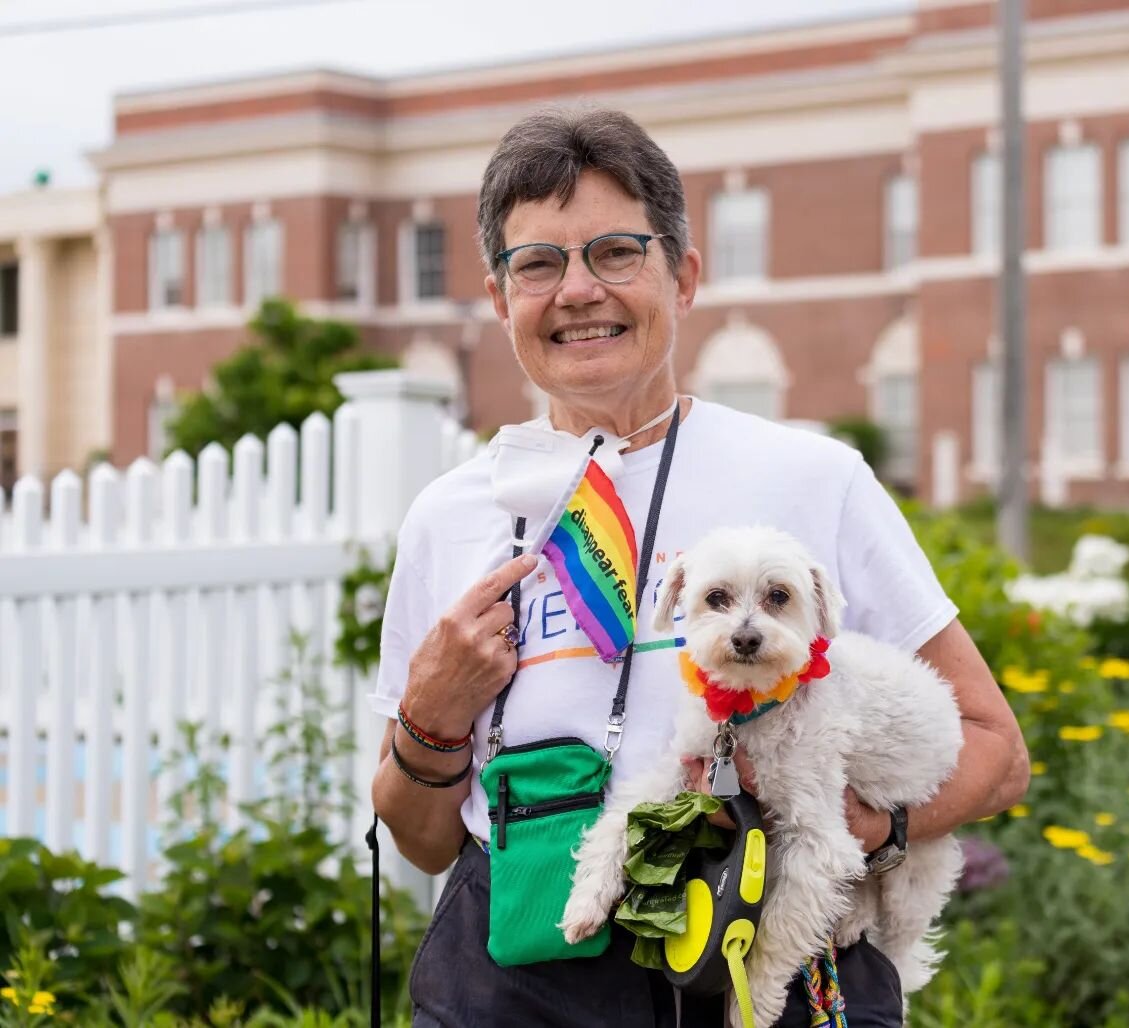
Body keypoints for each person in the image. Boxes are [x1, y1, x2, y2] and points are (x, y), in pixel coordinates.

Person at [370, 106, 1030, 1028]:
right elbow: (423, 837)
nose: (576, 291)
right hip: (521, 964)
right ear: (498, 296)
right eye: (539, 264)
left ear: (682, 277)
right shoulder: (451, 516)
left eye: (614, 252)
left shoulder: (812, 477)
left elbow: (997, 750)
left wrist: (866, 833)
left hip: (761, 945)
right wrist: (432, 717)